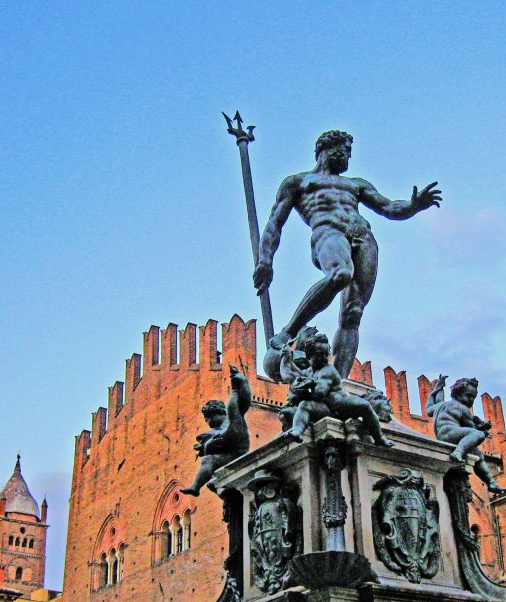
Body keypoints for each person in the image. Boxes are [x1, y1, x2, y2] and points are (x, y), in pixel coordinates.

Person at [254, 130, 441, 378]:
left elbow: (389, 207)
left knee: (353, 312)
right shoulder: (297, 182)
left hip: (364, 236)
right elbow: (274, 224)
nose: (346, 157)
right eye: (342, 150)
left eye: (349, 153)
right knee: (340, 274)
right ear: (324, 150)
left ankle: (336, 384)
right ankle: (289, 332)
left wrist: (413, 206)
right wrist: (265, 260)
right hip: (328, 233)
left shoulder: (357, 184)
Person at [285, 332, 395, 447]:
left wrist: (305, 387)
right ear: (309, 355)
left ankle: (379, 437)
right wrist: (286, 356)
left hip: (342, 405)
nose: (323, 358)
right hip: (326, 409)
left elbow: (320, 392)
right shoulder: (308, 373)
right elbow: (289, 374)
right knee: (304, 405)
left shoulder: (328, 370)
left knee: (365, 405)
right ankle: (297, 431)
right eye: (319, 354)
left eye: (325, 354)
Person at [427, 374, 503, 493]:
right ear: (457, 394)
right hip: (451, 433)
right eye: (468, 396)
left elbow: (429, 408)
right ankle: (458, 452)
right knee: (479, 435)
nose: (471, 400)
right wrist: (482, 429)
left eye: (473, 397)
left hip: (444, 435)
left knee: (478, 456)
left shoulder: (441, 405)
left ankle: (491, 482)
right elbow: (471, 428)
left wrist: (437, 389)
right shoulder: (463, 409)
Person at [181, 366, 251, 496]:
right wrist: (207, 446)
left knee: (208, 461)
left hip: (238, 453)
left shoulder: (232, 414)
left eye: (207, 417)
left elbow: (245, 401)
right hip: (231, 453)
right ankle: (200, 486)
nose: (207, 421)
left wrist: (243, 382)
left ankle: (195, 487)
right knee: (212, 479)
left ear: (217, 412)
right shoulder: (217, 430)